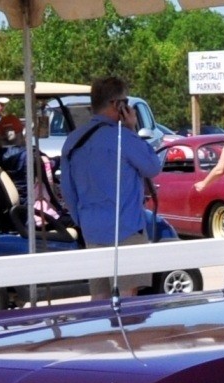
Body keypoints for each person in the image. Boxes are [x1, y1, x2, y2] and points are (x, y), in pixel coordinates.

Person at [59, 75, 164, 300]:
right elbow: (152, 166)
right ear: (118, 105)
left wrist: (83, 220)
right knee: (127, 296)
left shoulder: (74, 141)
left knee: (99, 297)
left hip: (92, 229)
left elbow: (67, 191)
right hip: (126, 227)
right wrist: (132, 128)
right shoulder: (123, 137)